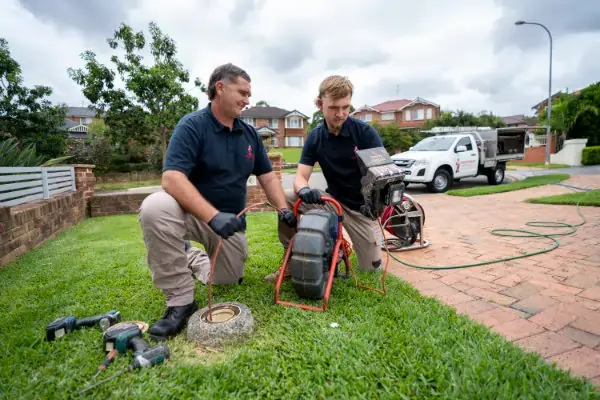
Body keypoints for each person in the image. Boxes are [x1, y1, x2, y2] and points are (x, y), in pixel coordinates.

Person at [139, 63, 297, 341]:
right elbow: (172, 179)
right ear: (219, 88)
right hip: (191, 215)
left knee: (226, 280)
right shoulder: (192, 125)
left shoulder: (249, 136)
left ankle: (188, 254)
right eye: (243, 92)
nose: (248, 100)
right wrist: (212, 216)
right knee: (155, 207)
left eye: (249, 94)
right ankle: (180, 301)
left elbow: (268, 176)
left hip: (229, 224)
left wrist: (283, 208)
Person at [264, 75, 385, 282]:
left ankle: (342, 251)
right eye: (334, 108)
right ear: (320, 104)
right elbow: (301, 176)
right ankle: (293, 259)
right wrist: (303, 190)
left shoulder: (365, 134)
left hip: (361, 210)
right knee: (286, 198)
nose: (340, 114)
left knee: (370, 270)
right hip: (333, 202)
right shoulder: (315, 137)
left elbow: (383, 175)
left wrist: (376, 206)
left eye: (346, 107)